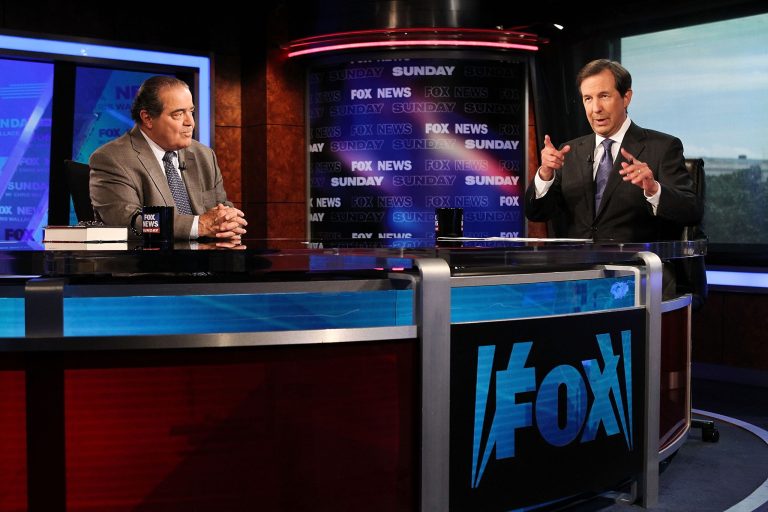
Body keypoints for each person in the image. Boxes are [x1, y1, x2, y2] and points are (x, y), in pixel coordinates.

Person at [525, 59, 702, 243]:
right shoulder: (569, 152)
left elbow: (692, 212)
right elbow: (536, 213)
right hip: (579, 268)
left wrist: (653, 189)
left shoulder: (662, 147)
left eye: (604, 96)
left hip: (637, 267)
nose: (596, 109)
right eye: (588, 98)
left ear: (626, 97)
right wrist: (545, 174)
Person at [90, 76, 247, 242]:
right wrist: (197, 226)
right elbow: (130, 221)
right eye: (178, 114)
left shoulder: (204, 155)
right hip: (149, 264)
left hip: (205, 263)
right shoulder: (112, 159)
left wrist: (229, 221)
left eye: (191, 112)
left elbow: (221, 207)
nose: (191, 123)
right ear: (148, 118)